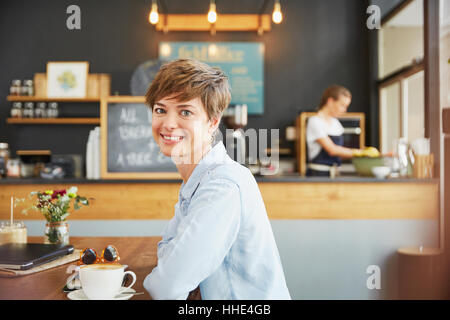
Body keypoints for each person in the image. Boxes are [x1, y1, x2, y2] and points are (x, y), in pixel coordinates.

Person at [143, 58, 291, 300]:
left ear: (212, 122)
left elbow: (166, 287)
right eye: (160, 110)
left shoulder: (221, 187)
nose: (168, 124)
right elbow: (166, 254)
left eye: (185, 112)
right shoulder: (199, 180)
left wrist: (153, 277)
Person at [306, 85, 369, 177]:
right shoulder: (315, 121)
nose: (345, 110)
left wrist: (366, 153)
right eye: (342, 105)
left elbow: (340, 153)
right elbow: (332, 150)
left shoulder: (336, 124)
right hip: (318, 175)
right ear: (330, 102)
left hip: (335, 174)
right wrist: (360, 153)